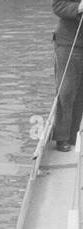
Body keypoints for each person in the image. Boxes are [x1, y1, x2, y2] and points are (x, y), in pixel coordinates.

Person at [53, 3, 83, 150]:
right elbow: (58, 6)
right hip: (68, 43)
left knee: (81, 93)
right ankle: (62, 137)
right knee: (67, 90)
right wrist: (79, 7)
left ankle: (73, 136)